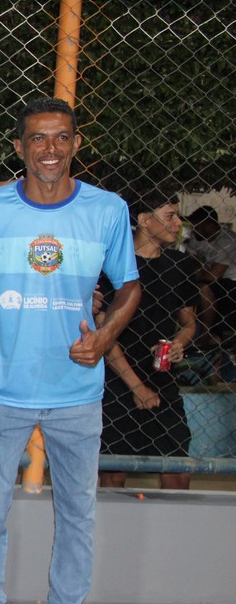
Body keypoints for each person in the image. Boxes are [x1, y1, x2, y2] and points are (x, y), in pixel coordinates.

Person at [0, 98, 140, 604]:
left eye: (61, 137)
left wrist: (105, 336)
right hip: (4, 387)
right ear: (19, 147)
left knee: (78, 511)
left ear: (77, 143)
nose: (50, 149)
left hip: (76, 390)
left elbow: (129, 285)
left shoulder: (107, 209)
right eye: (37, 138)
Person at [99, 189, 197, 490]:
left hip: (161, 377)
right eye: (170, 216)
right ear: (144, 219)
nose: (177, 223)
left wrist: (179, 343)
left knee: (177, 469)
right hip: (117, 380)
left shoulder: (180, 265)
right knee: (113, 472)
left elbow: (189, 323)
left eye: (178, 216)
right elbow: (103, 334)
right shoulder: (112, 263)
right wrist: (136, 387)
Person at [182, 205, 236, 346]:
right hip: (207, 279)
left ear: (208, 225)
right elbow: (188, 259)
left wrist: (197, 269)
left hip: (230, 283)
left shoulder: (227, 241)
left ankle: (206, 334)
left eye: (197, 227)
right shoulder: (197, 238)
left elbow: (212, 277)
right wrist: (197, 268)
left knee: (203, 288)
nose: (193, 231)